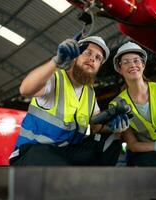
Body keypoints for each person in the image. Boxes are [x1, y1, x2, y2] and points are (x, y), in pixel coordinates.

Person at [9, 34, 129, 166]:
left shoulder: (89, 93)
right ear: (75, 56)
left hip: (65, 153)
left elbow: (96, 127)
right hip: (31, 152)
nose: (92, 59)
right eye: (88, 52)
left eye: (98, 58)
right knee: (52, 159)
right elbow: (25, 89)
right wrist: (55, 62)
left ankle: (95, 183)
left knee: (111, 143)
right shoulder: (55, 78)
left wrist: (113, 126)